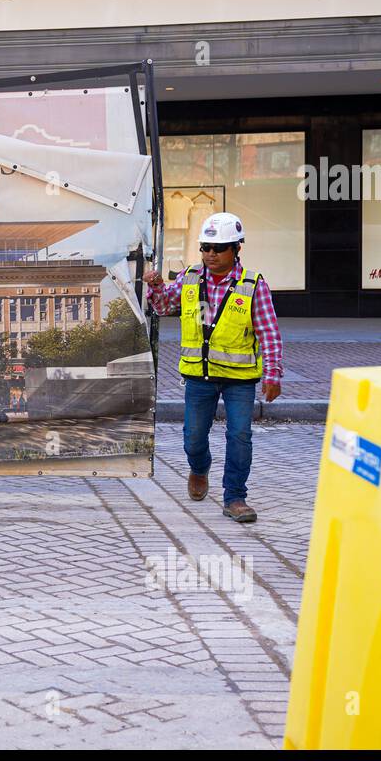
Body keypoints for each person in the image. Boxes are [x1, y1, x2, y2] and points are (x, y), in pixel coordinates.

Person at [143, 211, 283, 525]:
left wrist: (273, 374)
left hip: (239, 379)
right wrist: (155, 287)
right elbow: (165, 306)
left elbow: (269, 332)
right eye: (205, 247)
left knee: (239, 436)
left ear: (237, 249)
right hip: (198, 375)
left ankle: (235, 497)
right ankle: (199, 467)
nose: (210, 254)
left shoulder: (252, 285)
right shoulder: (190, 277)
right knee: (193, 436)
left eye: (218, 248)